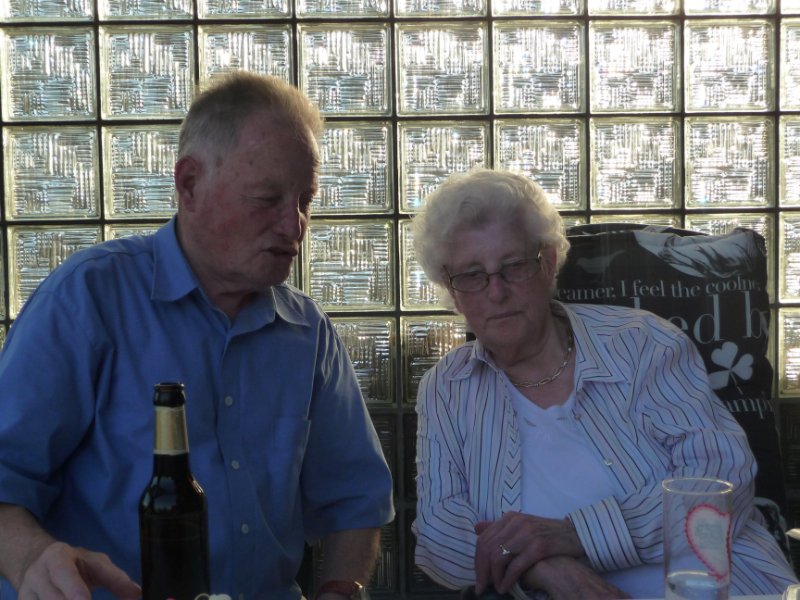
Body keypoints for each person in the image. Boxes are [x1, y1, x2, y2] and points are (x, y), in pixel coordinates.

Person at [0, 72, 394, 600]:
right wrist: (31, 558)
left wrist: (341, 589)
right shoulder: (90, 299)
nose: (295, 226)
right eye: (267, 199)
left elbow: (355, 499)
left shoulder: (306, 332)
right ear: (189, 184)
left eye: (306, 200)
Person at [410, 168, 797, 599]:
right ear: (451, 289)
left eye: (514, 266)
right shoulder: (448, 388)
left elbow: (721, 484)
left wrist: (575, 535)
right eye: (471, 275)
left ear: (548, 263)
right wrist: (541, 567)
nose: (495, 292)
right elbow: (439, 538)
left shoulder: (642, 342)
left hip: (720, 586)